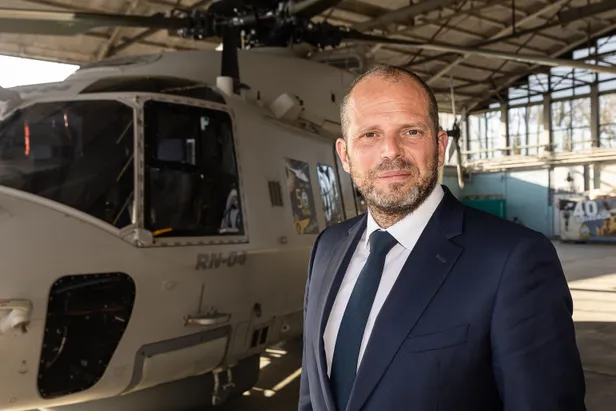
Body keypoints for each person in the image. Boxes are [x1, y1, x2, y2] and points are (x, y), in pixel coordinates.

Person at [298, 65, 586, 411]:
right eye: (370, 135)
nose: (390, 151)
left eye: (411, 131)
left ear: (440, 145)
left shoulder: (514, 259)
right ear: (345, 155)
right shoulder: (326, 248)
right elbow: (312, 394)